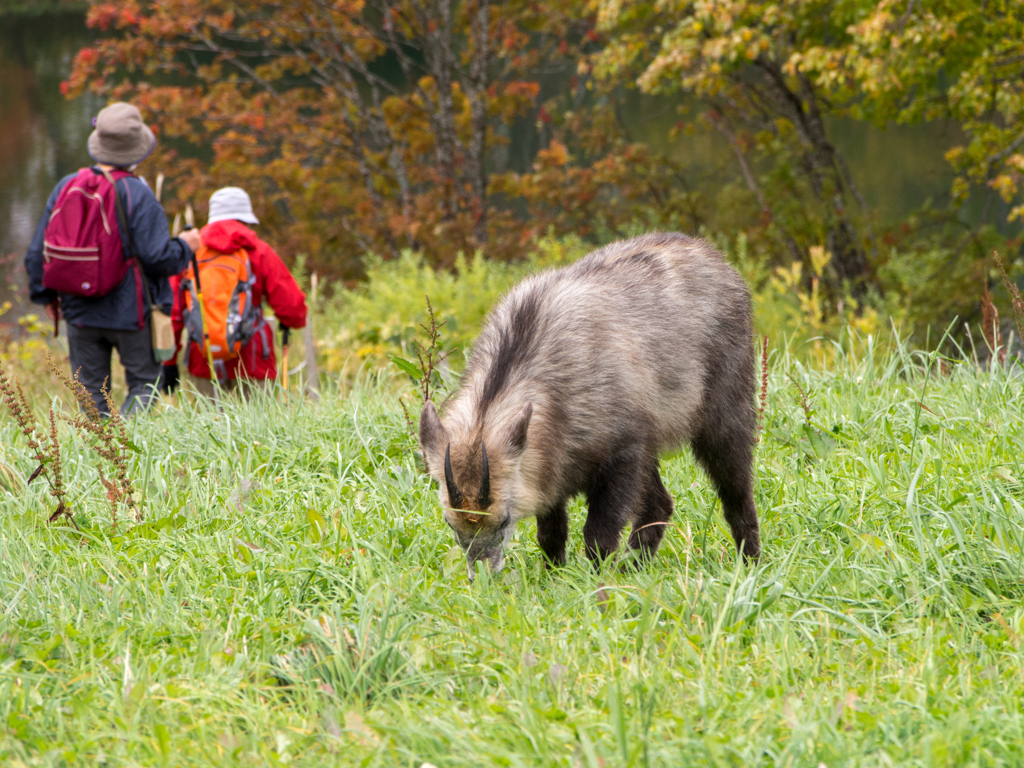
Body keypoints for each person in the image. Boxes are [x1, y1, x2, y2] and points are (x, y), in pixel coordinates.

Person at [24, 102, 202, 415]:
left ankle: (100, 457)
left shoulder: (66, 186)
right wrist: (187, 246)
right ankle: (128, 454)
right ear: (137, 151)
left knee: (90, 395)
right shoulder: (137, 193)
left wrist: (46, 295)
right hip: (131, 313)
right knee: (145, 384)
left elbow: (38, 253)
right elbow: (159, 258)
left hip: (78, 311)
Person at [173, 187, 307, 395]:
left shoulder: (190, 252)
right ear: (245, 219)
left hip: (203, 362)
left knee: (208, 427)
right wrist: (291, 322)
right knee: (261, 427)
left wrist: (169, 362)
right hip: (253, 363)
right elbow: (293, 309)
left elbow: (173, 311)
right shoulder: (259, 251)